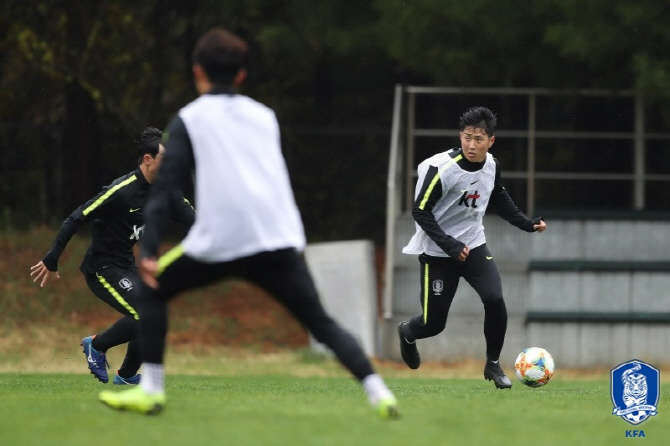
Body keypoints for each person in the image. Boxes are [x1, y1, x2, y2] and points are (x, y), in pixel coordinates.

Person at [97, 27, 399, 419]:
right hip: (275, 238)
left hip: (219, 239)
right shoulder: (265, 117)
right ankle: (380, 393)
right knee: (321, 321)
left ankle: (151, 390)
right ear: (241, 75)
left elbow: (165, 189)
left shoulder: (189, 119)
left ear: (197, 71)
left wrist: (150, 251)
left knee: (151, 293)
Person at [30, 127, 195, 385]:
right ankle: (97, 345)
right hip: (102, 268)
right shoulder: (122, 191)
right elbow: (76, 217)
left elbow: (195, 223)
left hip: (127, 265)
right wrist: (52, 258)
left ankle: (127, 376)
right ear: (148, 160)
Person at [397, 106, 547, 389]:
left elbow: (498, 196)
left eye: (479, 139)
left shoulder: (491, 165)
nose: (471, 145)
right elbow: (420, 211)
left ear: (491, 141)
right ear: (460, 136)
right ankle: (407, 332)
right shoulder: (444, 170)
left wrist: (527, 224)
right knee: (433, 324)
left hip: (474, 246)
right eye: (467, 137)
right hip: (439, 253)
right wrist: (450, 244)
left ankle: (492, 364)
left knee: (494, 299)